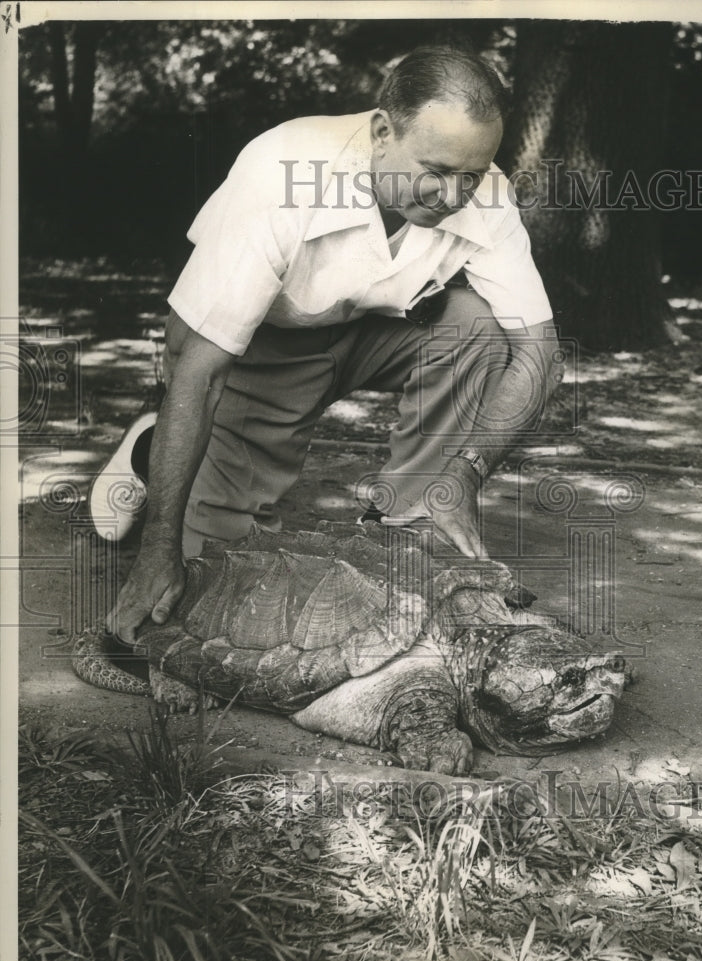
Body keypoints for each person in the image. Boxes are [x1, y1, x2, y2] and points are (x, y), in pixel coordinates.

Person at [109, 45, 562, 644]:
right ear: (382, 132)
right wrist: (155, 551)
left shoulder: (488, 194)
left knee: (477, 327)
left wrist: (465, 477)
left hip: (373, 327)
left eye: (471, 177)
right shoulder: (283, 169)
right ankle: (153, 448)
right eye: (437, 170)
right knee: (209, 578)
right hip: (254, 349)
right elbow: (202, 366)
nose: (454, 196)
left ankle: (412, 519)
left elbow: (541, 356)